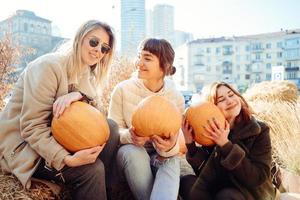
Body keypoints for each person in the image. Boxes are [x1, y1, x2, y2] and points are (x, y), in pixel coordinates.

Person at [0, 20, 119, 200]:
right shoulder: (48, 67)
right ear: (80, 38)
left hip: (57, 137)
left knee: (111, 128)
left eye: (104, 48)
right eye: (93, 42)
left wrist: (79, 95)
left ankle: (106, 193)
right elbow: (32, 128)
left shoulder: (86, 73)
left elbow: (95, 120)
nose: (98, 51)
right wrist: (66, 159)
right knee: (94, 170)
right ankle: (90, 182)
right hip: (26, 147)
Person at [108, 38, 185, 200]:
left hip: (159, 154)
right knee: (135, 153)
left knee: (172, 160)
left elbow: (177, 139)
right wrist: (130, 136)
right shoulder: (122, 90)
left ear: (165, 66)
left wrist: (170, 147)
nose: (139, 63)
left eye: (147, 58)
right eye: (139, 57)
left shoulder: (175, 97)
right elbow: (113, 130)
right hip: (129, 153)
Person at [180, 82, 278, 200]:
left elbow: (257, 178)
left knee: (227, 195)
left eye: (231, 95)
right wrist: (191, 145)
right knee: (187, 183)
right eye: (221, 99)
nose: (230, 101)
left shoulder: (259, 130)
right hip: (221, 191)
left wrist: (225, 145)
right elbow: (206, 177)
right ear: (212, 108)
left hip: (251, 194)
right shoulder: (211, 132)